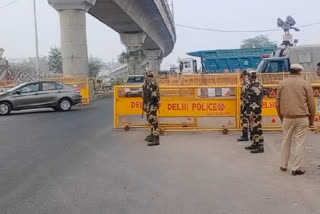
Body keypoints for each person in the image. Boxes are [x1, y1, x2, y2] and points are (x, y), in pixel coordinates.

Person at [276, 64, 315, 176]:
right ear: (299, 72)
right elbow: (311, 104)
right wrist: (311, 120)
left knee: (285, 141)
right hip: (302, 117)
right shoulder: (305, 83)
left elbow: (277, 103)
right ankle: (296, 168)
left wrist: (281, 117)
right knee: (300, 143)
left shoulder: (282, 83)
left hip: (287, 118)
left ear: (290, 71)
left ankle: (283, 165)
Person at [245, 70, 265, 154]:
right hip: (252, 109)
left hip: (255, 110)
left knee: (257, 127)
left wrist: (251, 112)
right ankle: (255, 142)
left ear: (250, 76)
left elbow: (255, 100)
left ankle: (260, 145)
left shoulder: (256, 86)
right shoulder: (253, 85)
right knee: (253, 127)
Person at [142, 71, 160, 146]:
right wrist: (145, 104)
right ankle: (152, 135)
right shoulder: (147, 82)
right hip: (149, 104)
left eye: (145, 75)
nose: (145, 77)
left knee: (153, 120)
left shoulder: (152, 82)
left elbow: (154, 95)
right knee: (150, 119)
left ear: (148, 76)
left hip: (152, 104)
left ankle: (156, 138)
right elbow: (146, 94)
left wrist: (152, 104)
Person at [238, 70, 251, 142]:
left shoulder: (246, 82)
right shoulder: (252, 81)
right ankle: (252, 136)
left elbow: (244, 94)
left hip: (246, 104)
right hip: (252, 104)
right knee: (252, 120)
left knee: (245, 119)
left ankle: (245, 135)